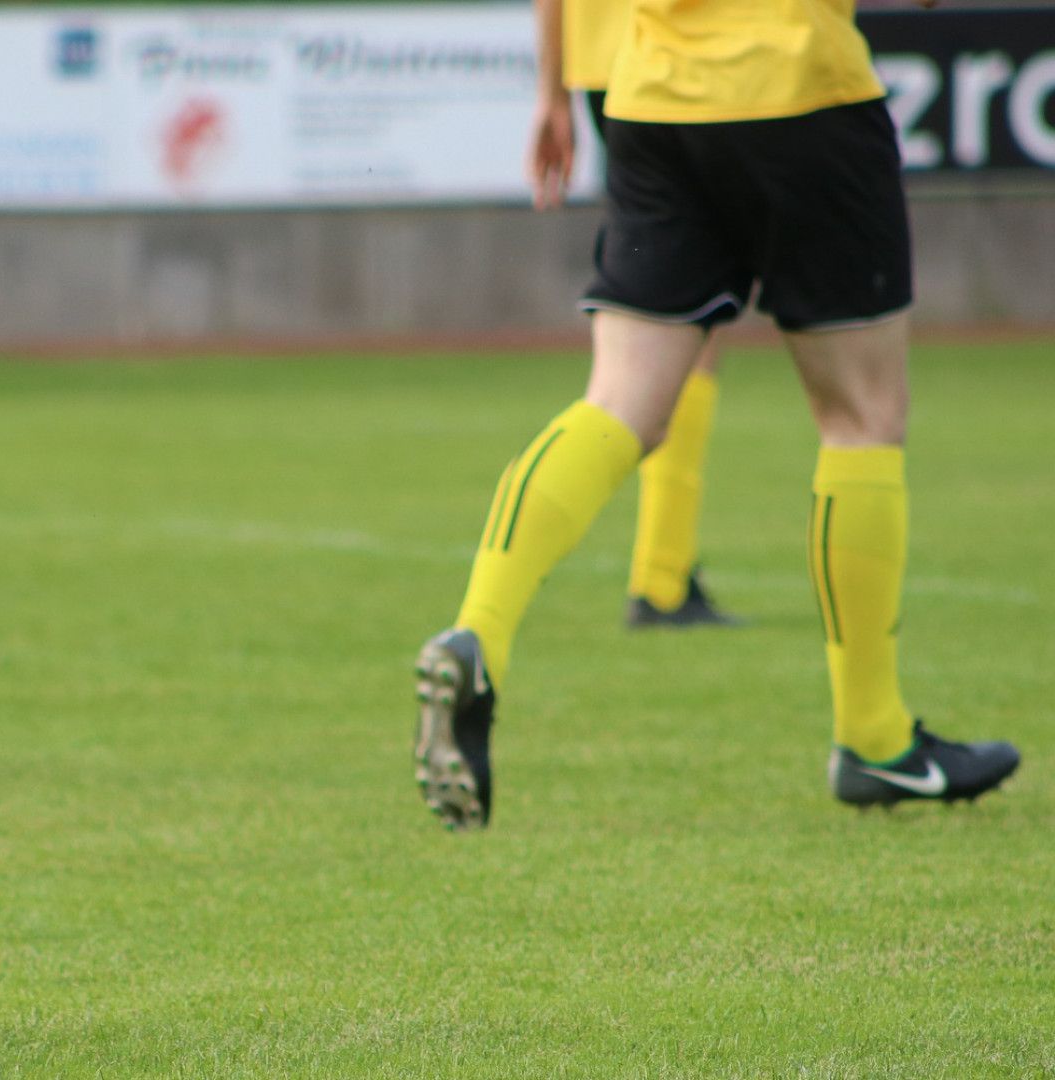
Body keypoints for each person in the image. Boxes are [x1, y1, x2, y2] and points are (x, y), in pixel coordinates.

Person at [412, 0, 1020, 831]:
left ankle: (479, 631)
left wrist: (552, 89)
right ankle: (873, 740)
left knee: (618, 400)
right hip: (799, 87)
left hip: (653, 96)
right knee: (861, 416)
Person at [527, 0, 737, 629]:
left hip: (604, 63)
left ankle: (665, 569)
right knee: (682, 330)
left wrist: (553, 94)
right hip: (685, 58)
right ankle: (661, 576)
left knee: (676, 323)